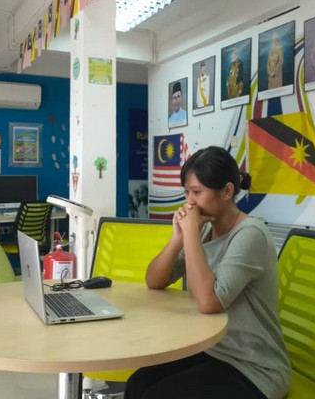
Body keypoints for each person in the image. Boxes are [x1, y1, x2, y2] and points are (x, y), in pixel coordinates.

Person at [125, 146, 291, 399]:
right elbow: (154, 280)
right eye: (187, 192)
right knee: (138, 384)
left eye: (197, 192)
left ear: (227, 191)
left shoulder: (250, 234)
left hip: (254, 367)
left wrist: (190, 232)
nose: (189, 201)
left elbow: (209, 303)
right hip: (211, 349)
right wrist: (177, 239)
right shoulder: (204, 229)